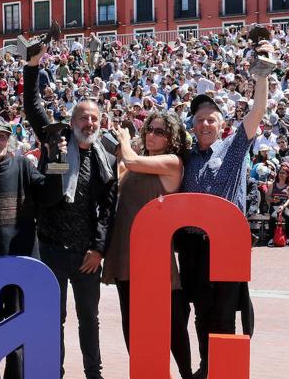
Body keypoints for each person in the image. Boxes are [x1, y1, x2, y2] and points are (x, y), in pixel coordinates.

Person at [177, 41, 273, 379]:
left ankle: (225, 369)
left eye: (211, 119)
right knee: (201, 312)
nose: (205, 124)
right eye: (199, 119)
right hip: (192, 247)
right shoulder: (184, 156)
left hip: (226, 244)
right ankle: (207, 367)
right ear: (192, 124)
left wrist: (260, 75)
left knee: (225, 311)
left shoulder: (233, 147)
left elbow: (258, 111)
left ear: (221, 123)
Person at [24, 45, 118, 379]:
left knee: (89, 319)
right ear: (71, 120)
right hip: (50, 248)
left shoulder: (105, 155)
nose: (88, 122)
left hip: (86, 255)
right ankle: (53, 372)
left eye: (93, 118)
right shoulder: (56, 140)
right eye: (82, 117)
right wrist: (32, 67)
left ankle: (94, 373)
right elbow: (34, 109)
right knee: (52, 318)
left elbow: (109, 209)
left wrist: (98, 249)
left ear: (99, 121)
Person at [0, 118, 65, 379]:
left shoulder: (23, 165)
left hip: (21, 264)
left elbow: (51, 196)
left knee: (19, 337)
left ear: (8, 140)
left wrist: (56, 159)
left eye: (1, 137)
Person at [103, 112, 191, 379]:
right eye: (149, 129)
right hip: (125, 251)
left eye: (160, 132)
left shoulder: (172, 163)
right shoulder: (138, 164)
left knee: (173, 324)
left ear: (172, 138)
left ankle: (186, 374)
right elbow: (117, 180)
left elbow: (130, 159)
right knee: (131, 324)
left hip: (155, 256)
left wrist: (124, 140)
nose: (152, 135)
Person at [266, 164, 289, 247]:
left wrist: (283, 206)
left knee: (288, 217)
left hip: (285, 205)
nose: (281, 175)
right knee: (273, 218)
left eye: (284, 173)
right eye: (280, 173)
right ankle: (271, 238)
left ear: (287, 175)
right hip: (275, 205)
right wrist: (272, 200)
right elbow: (267, 196)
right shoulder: (273, 184)